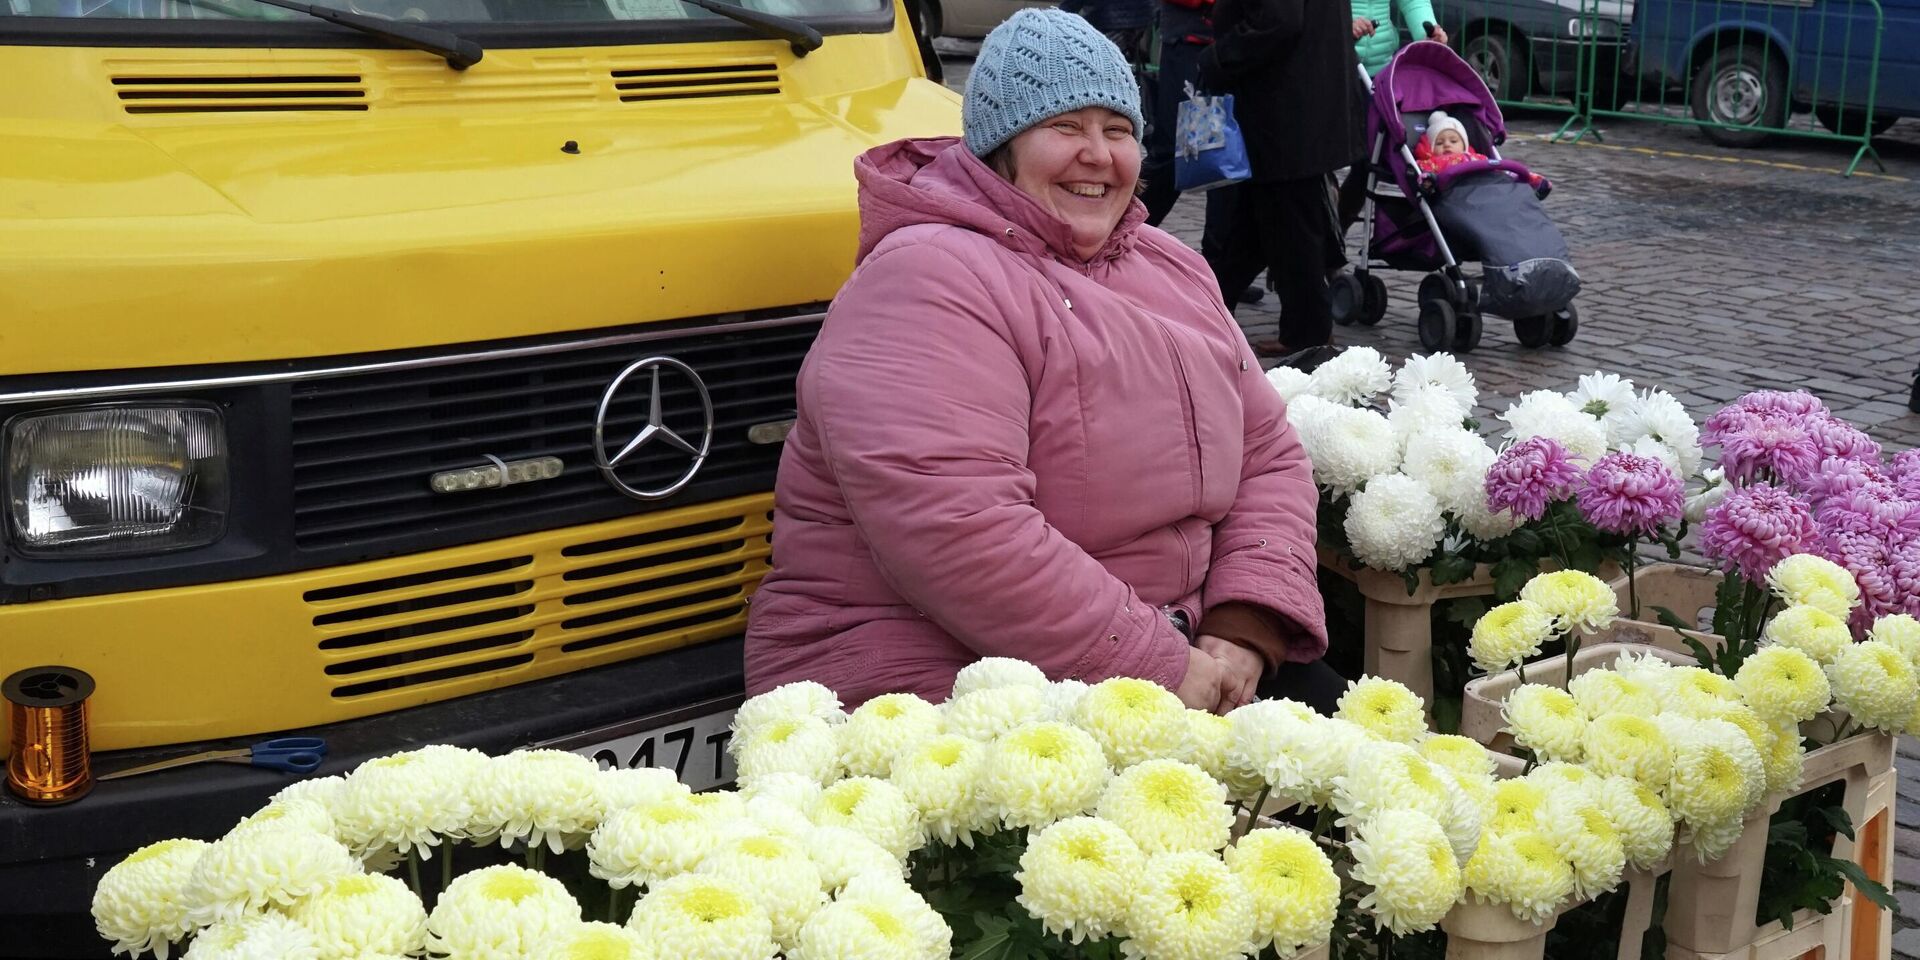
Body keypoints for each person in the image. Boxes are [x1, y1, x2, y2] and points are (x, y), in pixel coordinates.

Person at [744, 8, 1331, 715]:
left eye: (1117, 131)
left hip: (1167, 649)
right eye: (1065, 128)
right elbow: (958, 526)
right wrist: (1156, 661)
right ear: (1000, 149)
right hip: (941, 674)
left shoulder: (1170, 266)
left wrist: (1245, 625)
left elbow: (1267, 453)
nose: (1098, 154)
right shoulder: (929, 275)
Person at [1196, 0, 1364, 355]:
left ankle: (1308, 334)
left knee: (1288, 227)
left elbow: (1278, 21)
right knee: (1258, 225)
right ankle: (1210, 315)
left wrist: (1220, 57)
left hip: (1287, 109)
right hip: (1297, 104)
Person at [1415, 110, 1545, 190]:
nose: (1447, 145)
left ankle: (1528, 181)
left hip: (1482, 182)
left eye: (1453, 141)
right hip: (1457, 189)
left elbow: (1491, 166)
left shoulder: (1473, 155)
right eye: (1439, 143)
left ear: (1464, 145)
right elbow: (1423, 170)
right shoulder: (1433, 162)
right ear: (1432, 149)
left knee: (1501, 171)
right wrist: (1427, 179)